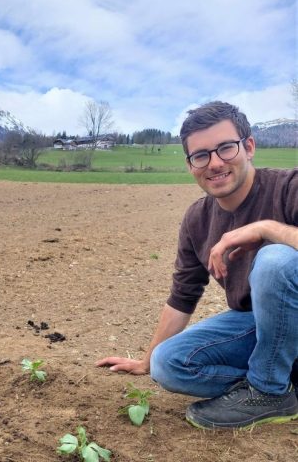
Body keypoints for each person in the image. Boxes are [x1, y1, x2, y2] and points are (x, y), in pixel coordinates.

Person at [97, 100, 298, 429]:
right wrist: (146, 360)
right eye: (201, 155)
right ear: (191, 165)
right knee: (168, 363)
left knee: (275, 260)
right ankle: (282, 384)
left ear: (249, 147)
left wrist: (266, 229)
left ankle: (269, 391)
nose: (215, 163)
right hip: (261, 326)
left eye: (226, 148)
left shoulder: (288, 187)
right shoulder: (197, 219)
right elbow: (183, 294)